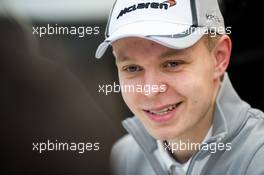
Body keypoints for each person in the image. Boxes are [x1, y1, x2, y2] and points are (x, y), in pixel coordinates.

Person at [95, 0, 264, 174]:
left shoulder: (258, 157)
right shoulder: (124, 157)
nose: (151, 90)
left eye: (172, 64)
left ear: (219, 58)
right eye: (132, 68)